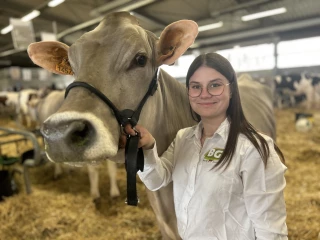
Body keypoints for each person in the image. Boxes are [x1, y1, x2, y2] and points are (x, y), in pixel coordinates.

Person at [123, 53, 288, 239]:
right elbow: (156, 180)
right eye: (196, 87)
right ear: (188, 92)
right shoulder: (183, 139)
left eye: (215, 85)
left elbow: (271, 232)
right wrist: (148, 147)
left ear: (232, 90)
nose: (204, 94)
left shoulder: (255, 149)